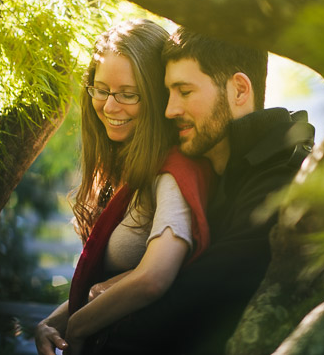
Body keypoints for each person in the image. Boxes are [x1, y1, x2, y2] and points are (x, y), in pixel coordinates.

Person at [86, 27, 317, 354]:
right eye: (168, 93)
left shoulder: (281, 181)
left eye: (184, 91)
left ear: (239, 90)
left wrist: (83, 328)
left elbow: (195, 301)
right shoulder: (223, 172)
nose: (169, 110)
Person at [34, 20, 215, 355]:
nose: (110, 106)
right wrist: (52, 323)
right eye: (100, 90)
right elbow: (99, 284)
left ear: (157, 95)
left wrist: (76, 328)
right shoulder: (121, 165)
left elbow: (153, 278)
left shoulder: (172, 174)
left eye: (128, 94)